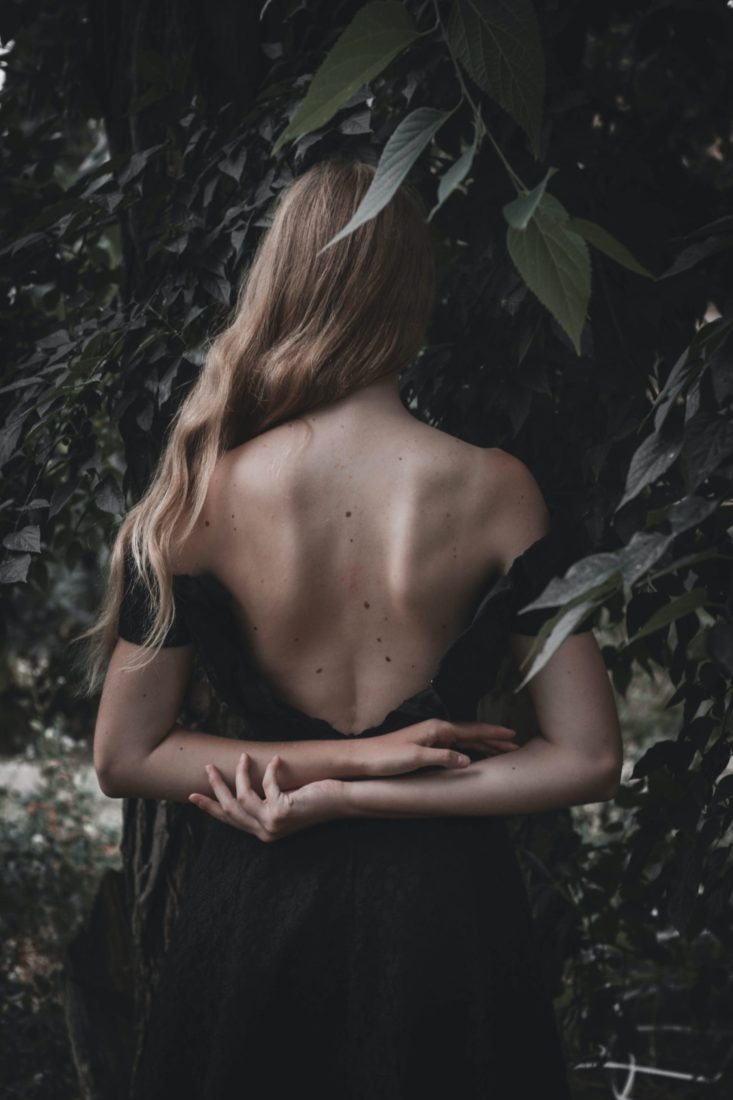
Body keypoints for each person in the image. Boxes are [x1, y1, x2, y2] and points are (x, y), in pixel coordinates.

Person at [86, 158, 623, 1099]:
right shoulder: (497, 487)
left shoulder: (195, 497)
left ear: (283, 282)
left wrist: (328, 784)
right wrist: (371, 770)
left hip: (253, 906)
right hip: (449, 922)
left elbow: (125, 757)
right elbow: (585, 758)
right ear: (414, 294)